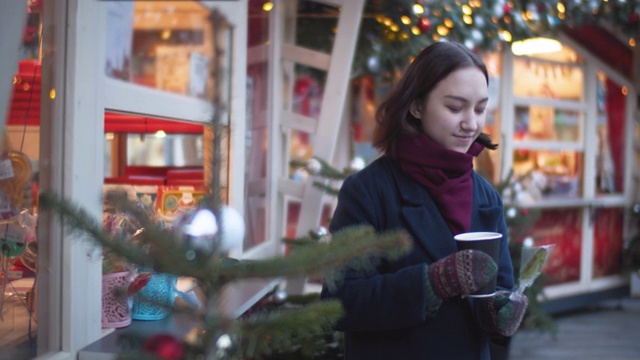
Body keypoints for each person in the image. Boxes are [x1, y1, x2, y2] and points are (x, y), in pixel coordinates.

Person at [321, 41, 528, 360]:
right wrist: (430, 283)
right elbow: (338, 303)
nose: (471, 123)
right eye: (455, 107)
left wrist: (502, 314)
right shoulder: (368, 191)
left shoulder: (487, 198)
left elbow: (499, 294)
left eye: (480, 108)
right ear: (417, 106)